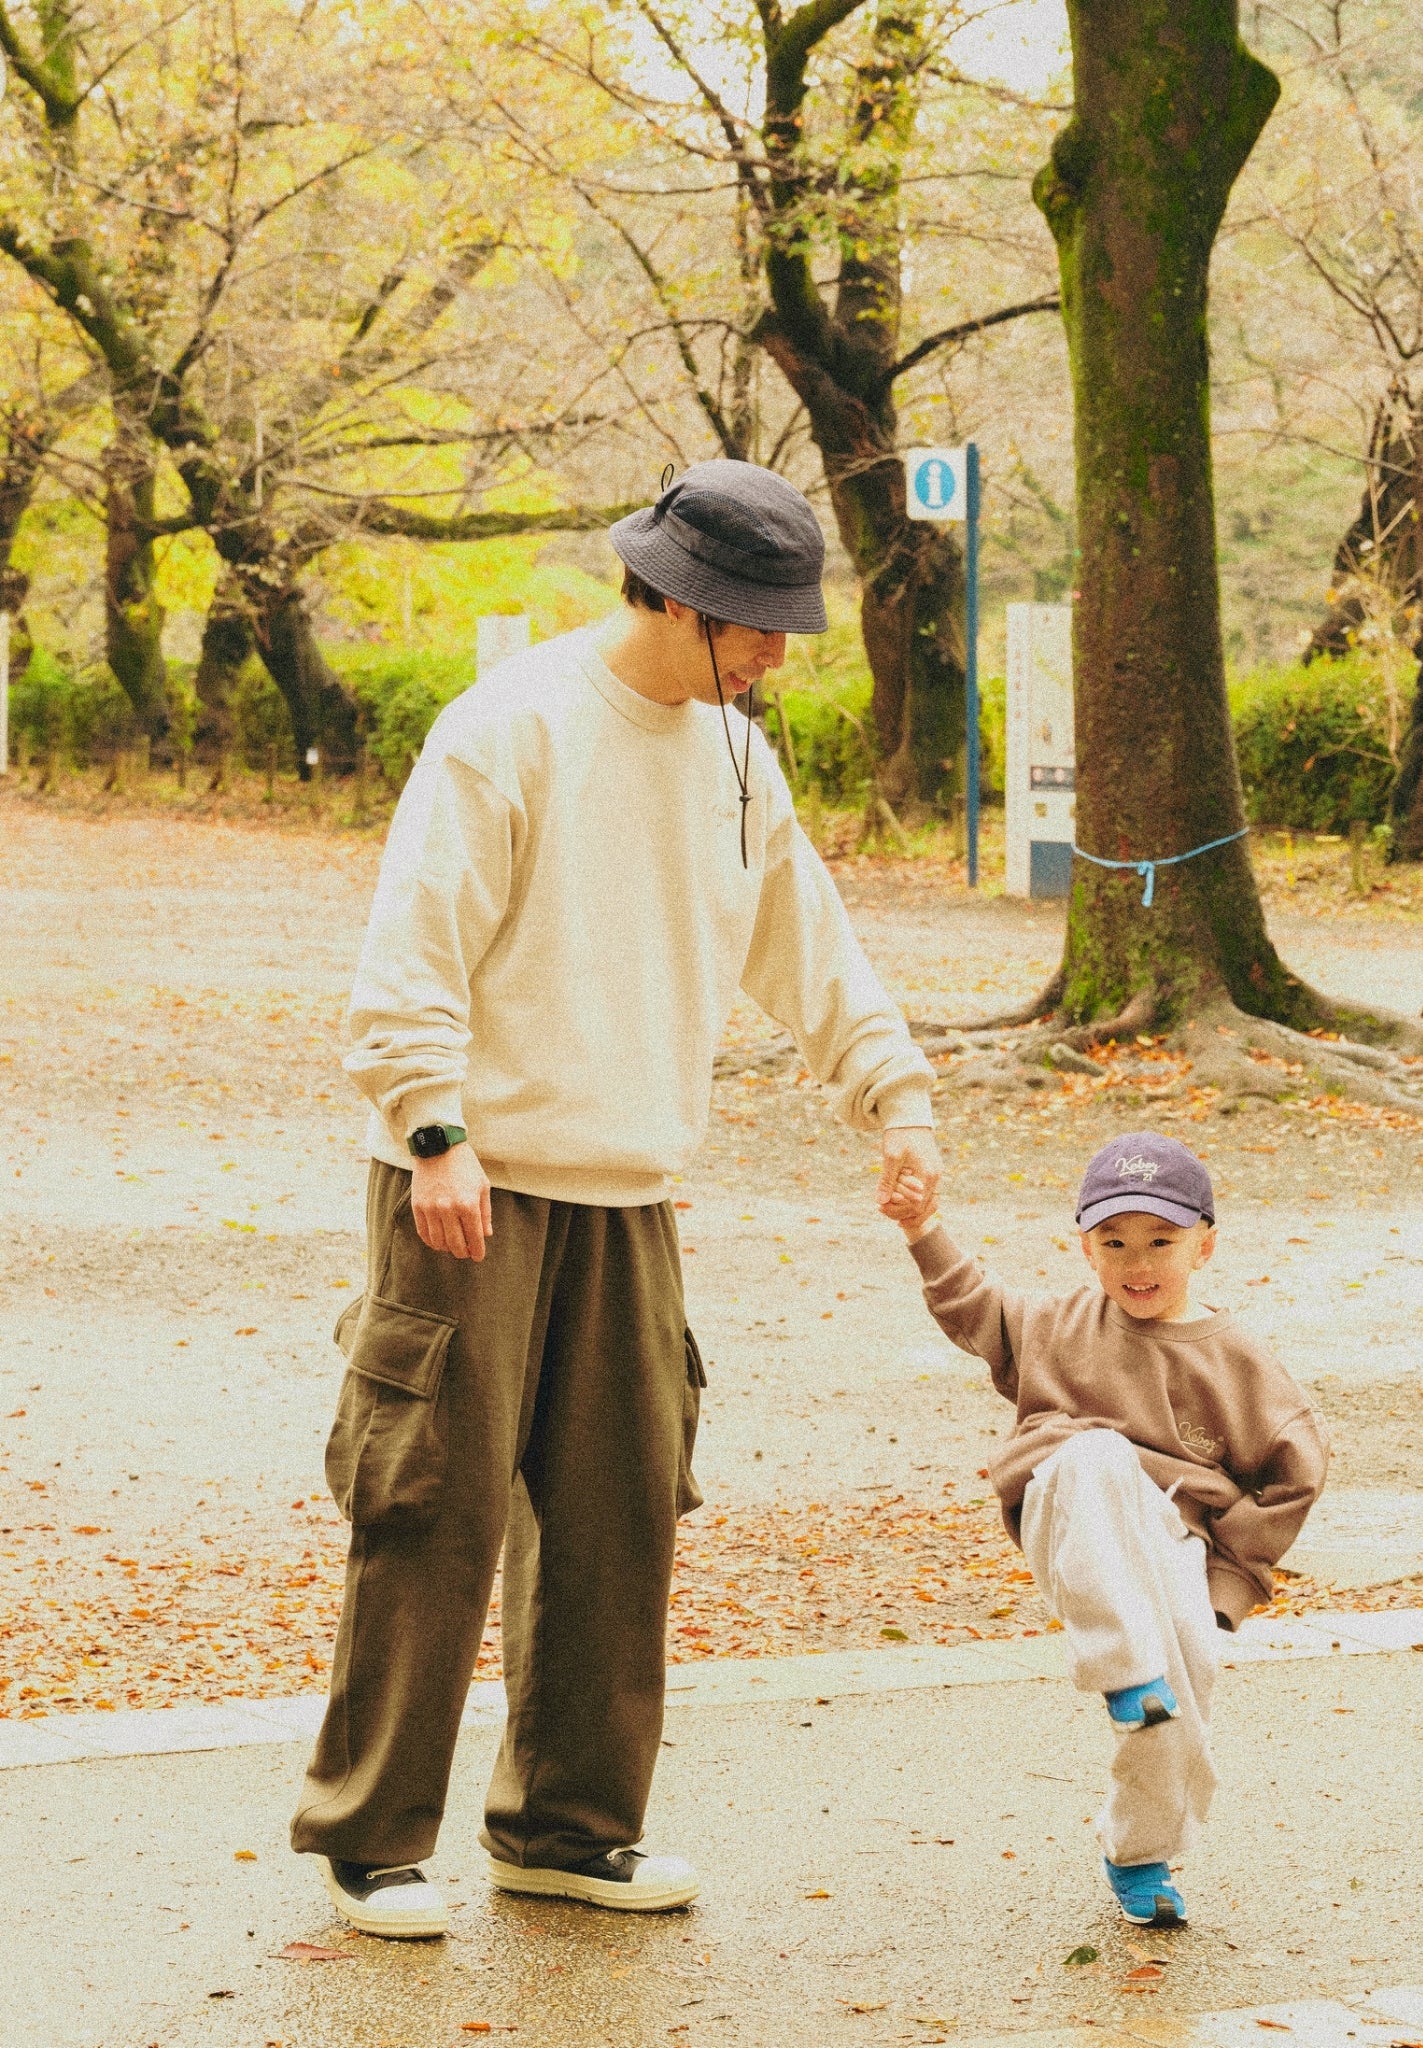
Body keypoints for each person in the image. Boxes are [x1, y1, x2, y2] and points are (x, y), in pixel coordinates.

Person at [292, 460, 940, 1938]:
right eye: (757, 624)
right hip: (469, 1183)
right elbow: (413, 951)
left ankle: (573, 1830)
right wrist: (431, 1126)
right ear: (673, 596)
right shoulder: (508, 729)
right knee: (431, 1510)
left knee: (617, 1512)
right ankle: (372, 1839)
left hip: (629, 1190)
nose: (778, 651)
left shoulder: (736, 760)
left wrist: (891, 1097)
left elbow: (811, 950)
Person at [882, 1131, 1327, 1929]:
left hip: (1170, 1545)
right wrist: (923, 1230)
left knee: (1179, 1704)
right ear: (1086, 1248)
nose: (1138, 1262)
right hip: (1070, 1512)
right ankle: (1120, 1666)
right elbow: (971, 1305)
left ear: (1206, 1246)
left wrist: (1226, 1590)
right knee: (1095, 1456)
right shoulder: (1057, 1323)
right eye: (1114, 1242)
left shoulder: (1239, 1358)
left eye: (1162, 1241)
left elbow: (1293, 1476)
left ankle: (1139, 1852)